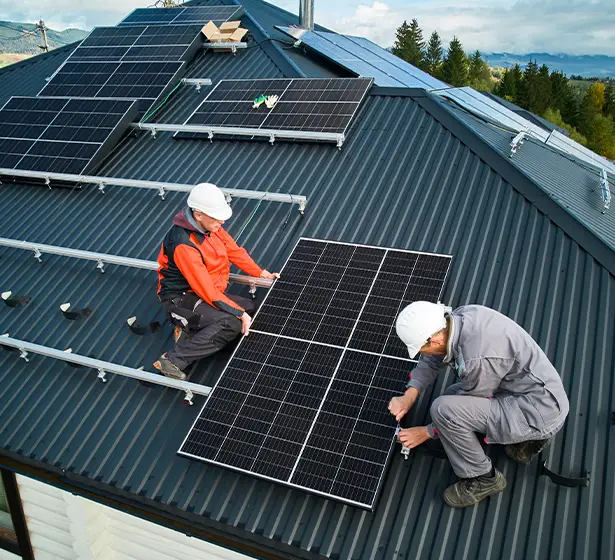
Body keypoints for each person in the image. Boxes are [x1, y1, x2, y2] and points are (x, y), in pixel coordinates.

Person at [388, 301, 569, 508]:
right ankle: (528, 442)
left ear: (434, 340)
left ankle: (484, 478)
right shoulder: (458, 318)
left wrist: (426, 432)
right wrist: (410, 394)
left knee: (444, 410)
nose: (422, 353)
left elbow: (467, 404)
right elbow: (433, 358)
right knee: (450, 396)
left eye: (421, 348)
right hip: (536, 394)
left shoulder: (477, 359)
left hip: (538, 412)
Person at [154, 183, 279, 380]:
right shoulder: (183, 244)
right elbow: (207, 292)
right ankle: (173, 360)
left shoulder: (211, 226)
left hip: (202, 293)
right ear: (198, 214)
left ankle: (194, 328)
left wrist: (261, 273)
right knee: (231, 323)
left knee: (249, 306)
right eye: (216, 215)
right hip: (180, 299)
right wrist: (239, 314)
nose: (221, 220)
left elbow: (233, 251)